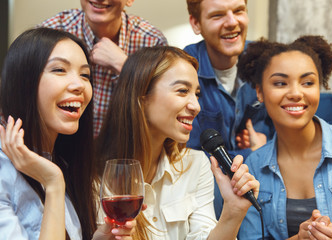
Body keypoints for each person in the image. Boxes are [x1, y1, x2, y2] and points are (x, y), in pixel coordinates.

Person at [96, 45, 260, 239]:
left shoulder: (195, 164)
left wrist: (233, 212)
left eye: (196, 94)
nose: (196, 106)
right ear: (142, 98)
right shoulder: (94, 174)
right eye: (182, 91)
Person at [0, 27, 136, 240]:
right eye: (59, 70)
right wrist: (53, 182)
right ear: (23, 81)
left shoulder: (65, 162)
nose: (79, 85)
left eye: (85, 75)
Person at [237, 35, 332, 239]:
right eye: (280, 83)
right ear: (259, 91)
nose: (295, 93)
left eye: (307, 82)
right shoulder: (254, 167)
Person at [40, 0, 167, 137]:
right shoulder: (50, 32)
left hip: (127, 152)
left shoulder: (153, 42)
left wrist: (125, 66)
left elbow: (163, 113)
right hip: (61, 150)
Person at [184, 0, 274, 158]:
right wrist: (255, 153)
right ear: (196, 23)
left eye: (239, 11)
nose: (232, 22)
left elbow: (290, 138)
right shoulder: (184, 70)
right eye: (217, 15)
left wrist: (267, 143)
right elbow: (189, 157)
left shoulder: (267, 60)